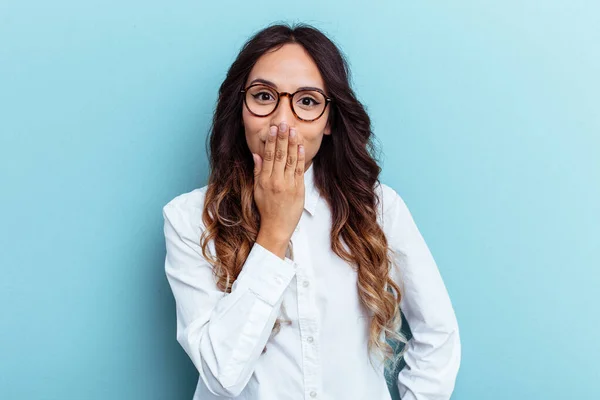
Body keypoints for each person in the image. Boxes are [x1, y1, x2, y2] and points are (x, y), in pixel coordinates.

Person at [162, 23, 461, 400]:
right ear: (240, 109)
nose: (282, 122)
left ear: (330, 120)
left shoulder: (378, 208)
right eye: (264, 96)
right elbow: (221, 377)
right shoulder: (189, 219)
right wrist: (273, 232)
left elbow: (439, 334)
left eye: (306, 101)